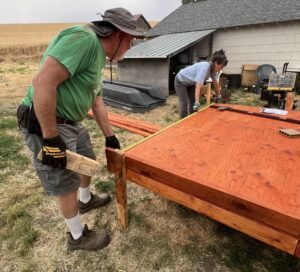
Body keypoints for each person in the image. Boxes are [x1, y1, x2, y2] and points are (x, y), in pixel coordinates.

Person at [17, 8, 143, 251]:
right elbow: (43, 82)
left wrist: (110, 135)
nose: (131, 46)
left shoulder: (98, 57)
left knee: (87, 161)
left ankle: (85, 200)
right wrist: (51, 138)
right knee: (66, 180)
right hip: (49, 123)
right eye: (130, 41)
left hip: (71, 123)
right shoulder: (84, 40)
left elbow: (96, 101)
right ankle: (76, 236)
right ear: (118, 35)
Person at [174, 50, 228, 119]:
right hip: (181, 80)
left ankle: (192, 119)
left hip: (190, 82)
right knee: (184, 103)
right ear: (216, 63)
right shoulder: (204, 68)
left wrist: (218, 95)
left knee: (192, 101)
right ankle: (182, 123)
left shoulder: (213, 69)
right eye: (221, 67)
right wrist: (197, 101)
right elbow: (198, 86)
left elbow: (215, 83)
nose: (221, 69)